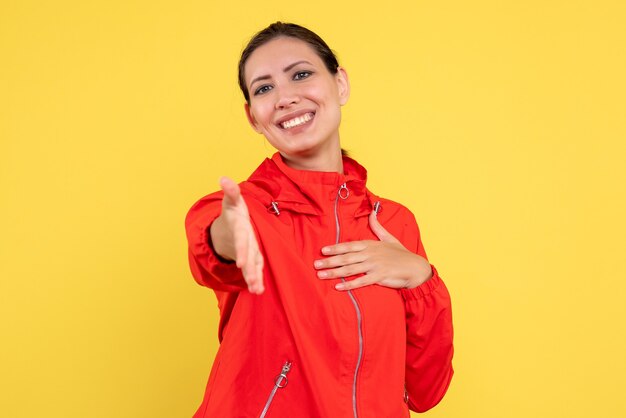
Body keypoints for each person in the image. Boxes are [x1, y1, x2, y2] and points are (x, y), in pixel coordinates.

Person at [185, 22, 454, 418]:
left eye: (301, 74)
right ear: (253, 117)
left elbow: (425, 391)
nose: (284, 98)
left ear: (340, 84)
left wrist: (420, 277)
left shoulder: (394, 222)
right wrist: (229, 233)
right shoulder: (247, 207)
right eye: (263, 88)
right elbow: (211, 249)